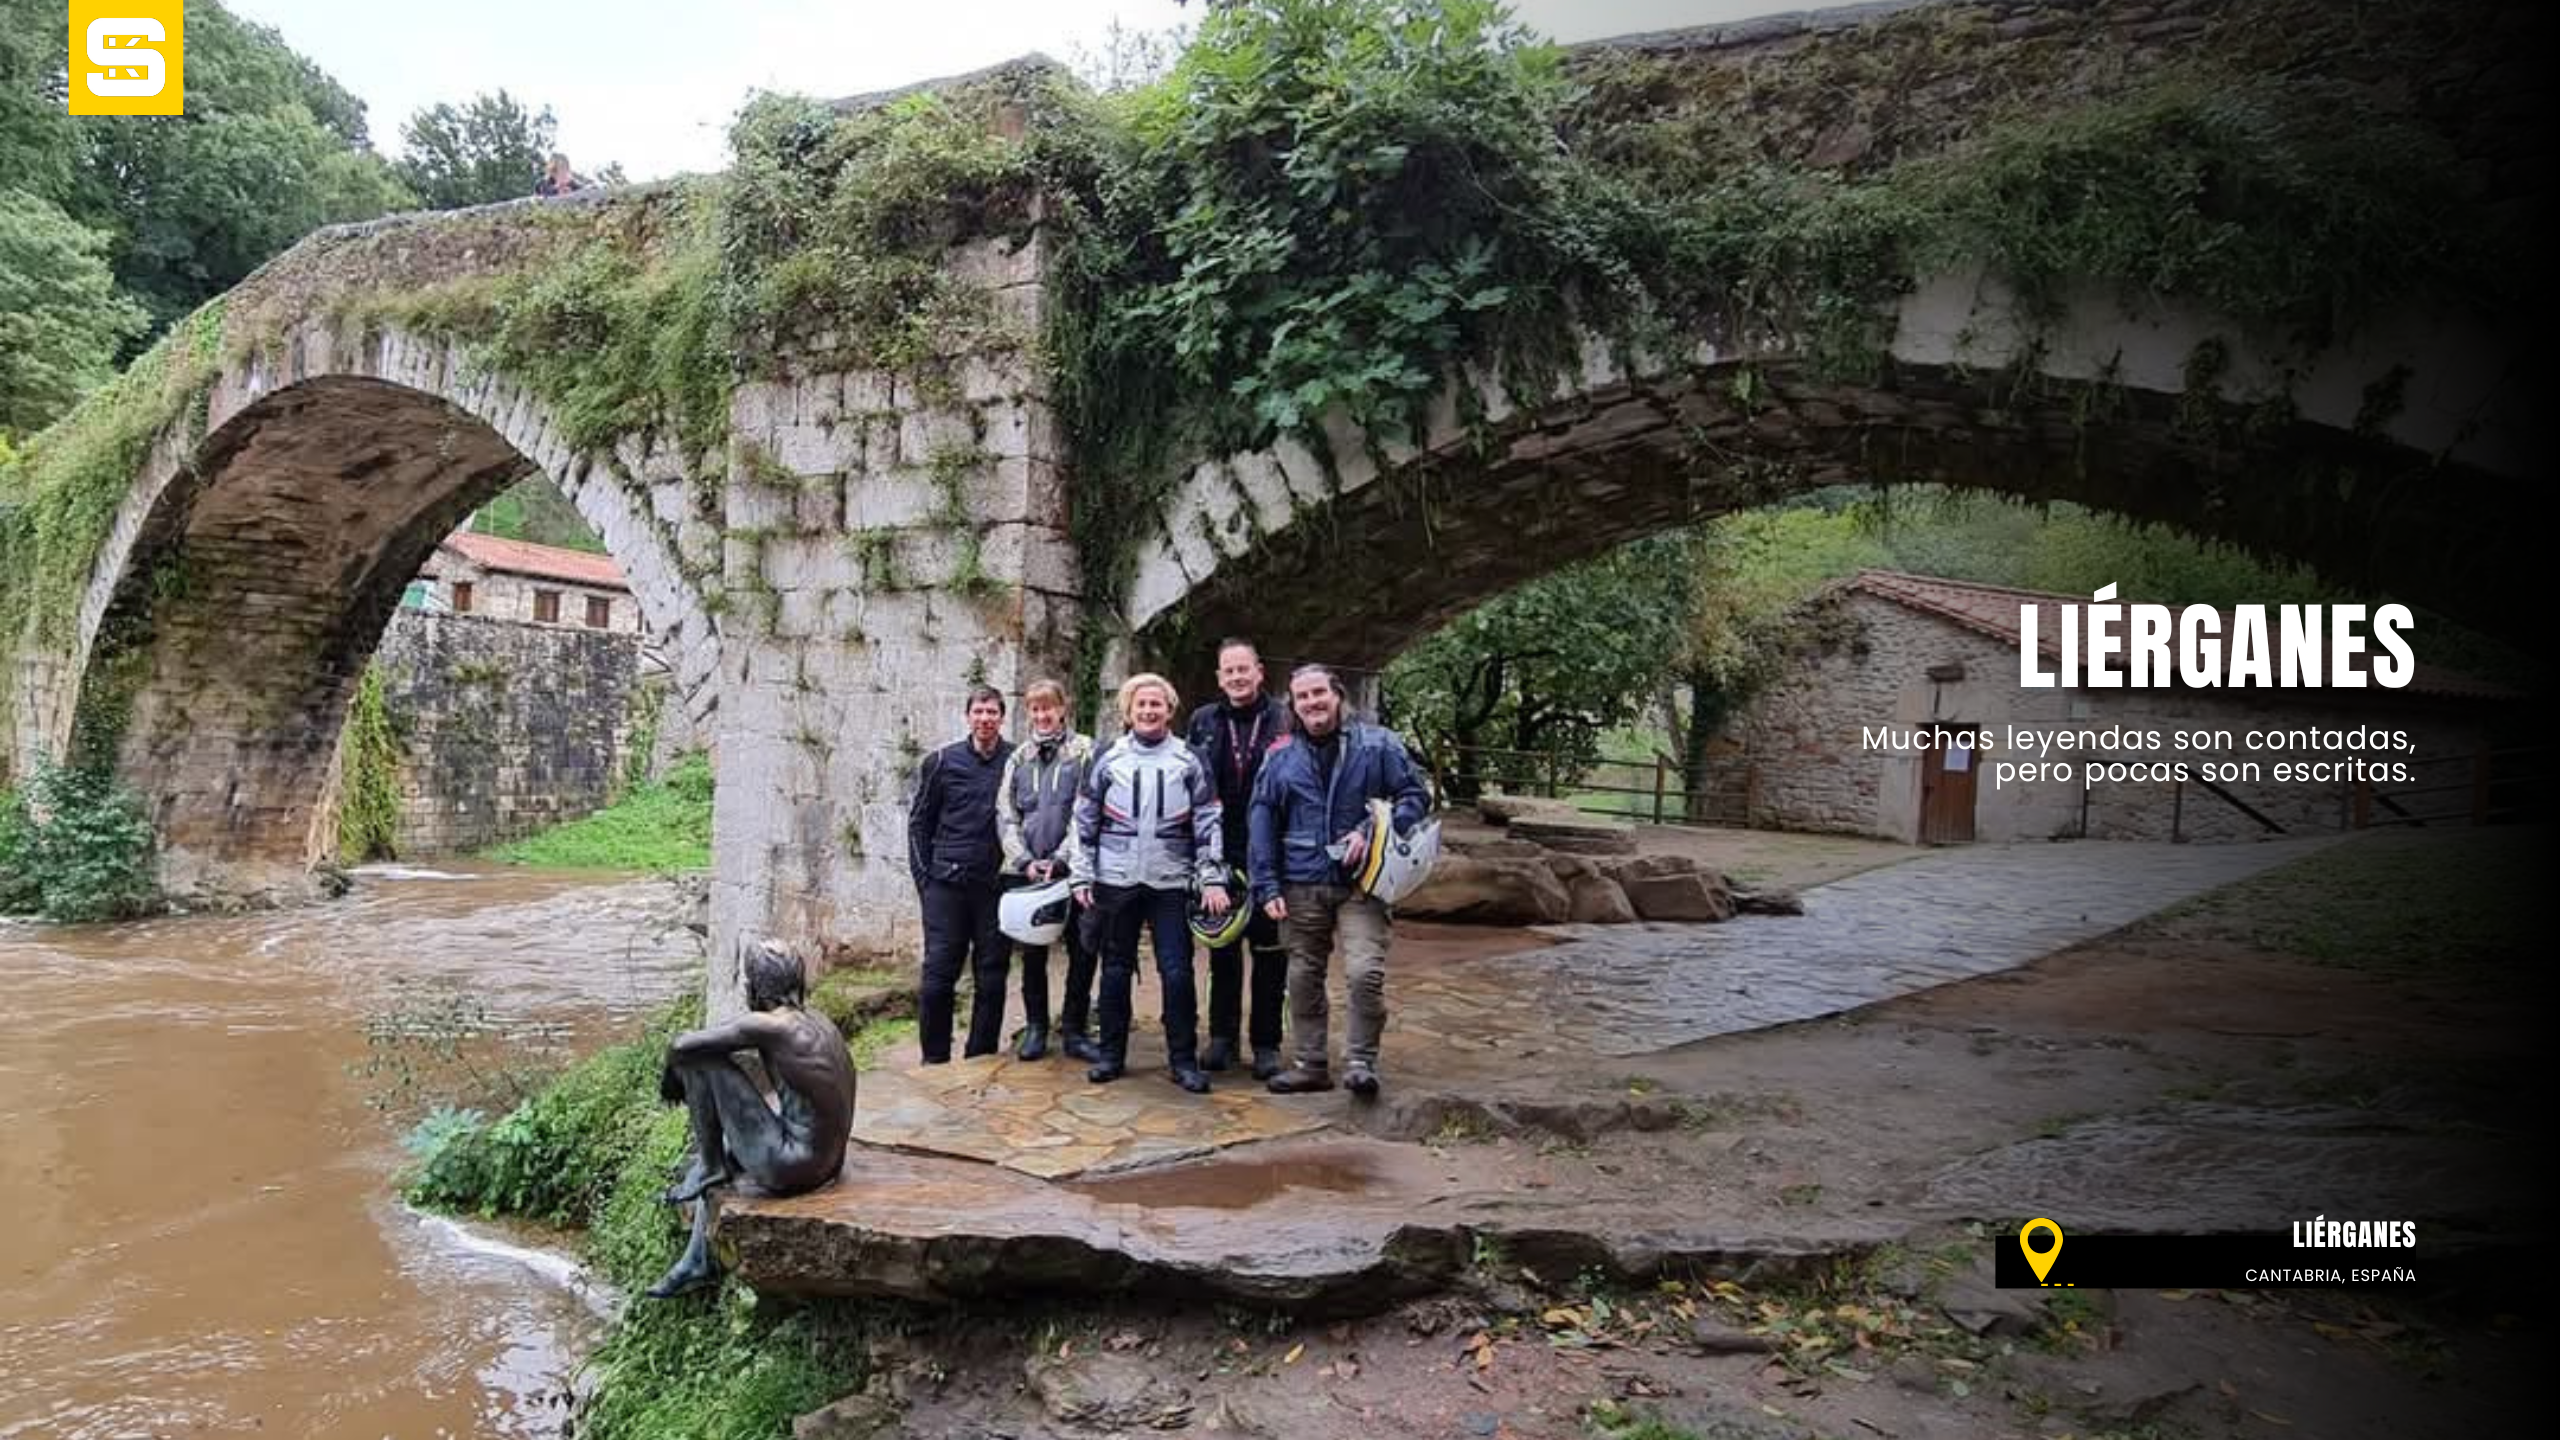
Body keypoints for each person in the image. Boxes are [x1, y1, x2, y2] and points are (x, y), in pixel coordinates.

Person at [1249, 663, 1432, 1098]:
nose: (1312, 703)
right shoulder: (1280, 756)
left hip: (1363, 882)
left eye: (1319, 693)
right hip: (1300, 880)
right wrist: (1267, 885)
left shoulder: (1379, 745)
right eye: (1303, 697)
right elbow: (1262, 818)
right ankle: (1311, 1064)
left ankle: (1361, 1062)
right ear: (1294, 705)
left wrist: (1372, 830)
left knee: (1364, 972)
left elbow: (1415, 796)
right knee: (1302, 976)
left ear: (1337, 695)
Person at [645, 939, 856, 1298]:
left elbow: (682, 1045)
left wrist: (671, 1077)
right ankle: (695, 1257)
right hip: (828, 1163)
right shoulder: (817, 1022)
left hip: (792, 1168)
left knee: (699, 1058)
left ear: (754, 988)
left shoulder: (771, 1026)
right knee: (730, 1139)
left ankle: (711, 1166)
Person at [1068, 673, 1230, 1093]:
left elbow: (1209, 820)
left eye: (1156, 704)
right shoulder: (1107, 756)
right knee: (1116, 969)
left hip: (1170, 881)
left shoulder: (1190, 759)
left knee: (1176, 972)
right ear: (1128, 710)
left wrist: (1211, 878)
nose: (1148, 710)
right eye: (1141, 704)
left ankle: (1182, 1060)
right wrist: (1081, 874)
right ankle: (1110, 1054)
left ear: (1169, 709)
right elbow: (1084, 819)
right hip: (1115, 878)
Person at [1184, 637, 1293, 1079]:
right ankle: (1222, 1039)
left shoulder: (1285, 720)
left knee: (1270, 953)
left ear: (1259, 671)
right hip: (1220, 853)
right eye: (1228, 671)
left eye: (1243, 669)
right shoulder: (1204, 721)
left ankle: (1267, 1044)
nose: (1236, 677)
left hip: (1273, 852)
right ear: (1219, 677)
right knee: (1222, 950)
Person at [907, 686, 1016, 1063]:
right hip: (947, 885)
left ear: (1002, 717)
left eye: (992, 712)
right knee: (938, 975)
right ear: (968, 716)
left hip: (995, 887)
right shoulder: (940, 763)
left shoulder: (1016, 761)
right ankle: (934, 1058)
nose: (985, 719)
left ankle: (980, 1054)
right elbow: (919, 824)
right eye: (978, 711)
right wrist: (924, 881)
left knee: (992, 974)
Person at [996, 678, 1099, 1062]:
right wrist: (1024, 859)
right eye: (1035, 709)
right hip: (1028, 872)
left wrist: (1061, 859)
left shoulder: (1085, 751)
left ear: (1063, 709)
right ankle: (1037, 1026)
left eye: (1048, 708)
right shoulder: (1019, 758)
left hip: (1074, 871)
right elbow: (1005, 812)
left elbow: (1087, 809)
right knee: (1033, 952)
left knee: (1082, 949)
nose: (1042, 715)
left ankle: (1074, 1028)